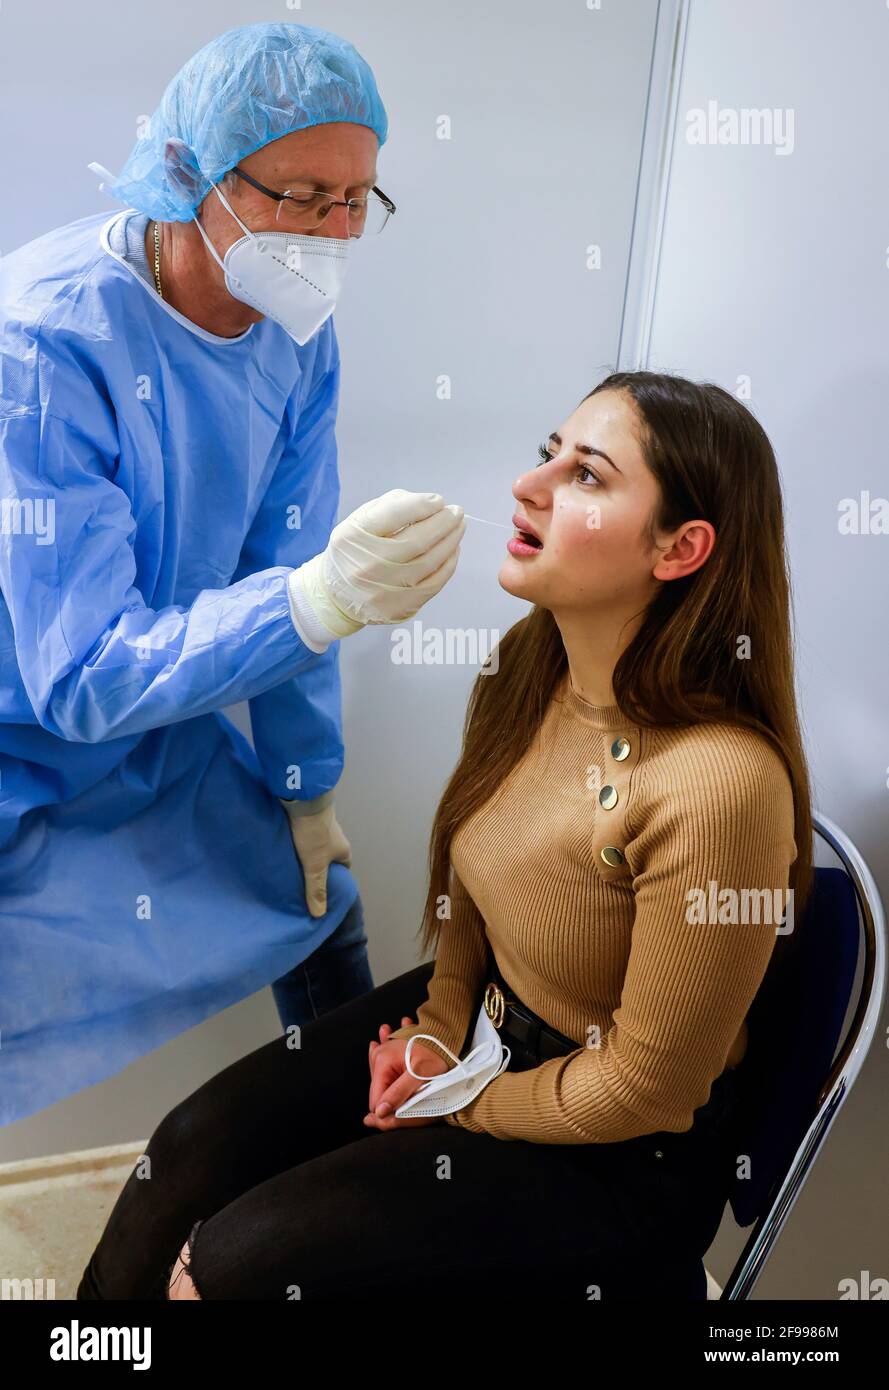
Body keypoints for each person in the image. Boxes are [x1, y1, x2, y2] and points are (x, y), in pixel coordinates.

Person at [76, 371, 815, 1301]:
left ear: (680, 547)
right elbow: (478, 892)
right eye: (549, 452)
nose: (530, 484)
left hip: (621, 1161)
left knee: (231, 1267)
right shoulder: (526, 670)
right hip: (486, 1036)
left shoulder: (719, 786)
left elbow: (644, 1093)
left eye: (586, 475)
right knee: (186, 1150)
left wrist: (456, 1097)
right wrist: (436, 1031)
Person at [0, 22, 465, 1126]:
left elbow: (289, 557)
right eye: (301, 195)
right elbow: (80, 680)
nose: (330, 233)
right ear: (191, 175)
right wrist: (317, 603)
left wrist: (307, 786)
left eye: (356, 202)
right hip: (28, 735)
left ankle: (343, 1174)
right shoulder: (43, 345)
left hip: (157, 728)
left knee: (318, 907)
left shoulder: (295, 333)